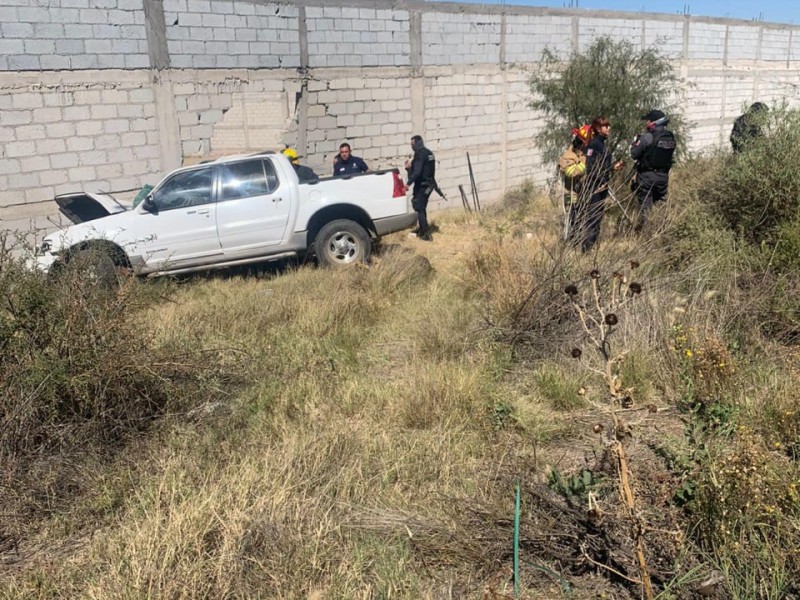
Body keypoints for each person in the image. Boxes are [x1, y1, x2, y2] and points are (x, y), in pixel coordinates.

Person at [580, 117, 623, 253]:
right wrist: (599, 182)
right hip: (595, 186)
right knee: (592, 218)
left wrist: (612, 168)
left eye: (609, 126)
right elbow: (592, 168)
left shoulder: (602, 144)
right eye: (606, 126)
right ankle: (586, 250)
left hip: (602, 185)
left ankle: (592, 248)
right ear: (598, 129)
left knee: (597, 217)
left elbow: (602, 166)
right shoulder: (594, 145)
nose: (609, 128)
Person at [630, 109, 676, 229]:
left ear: (653, 122)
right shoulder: (670, 137)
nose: (646, 123)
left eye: (648, 120)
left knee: (646, 208)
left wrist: (635, 143)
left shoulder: (647, 137)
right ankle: (662, 231)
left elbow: (634, 154)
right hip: (663, 177)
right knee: (660, 207)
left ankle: (647, 237)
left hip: (647, 177)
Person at [558, 124, 591, 243]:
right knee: (573, 217)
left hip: (583, 192)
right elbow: (571, 172)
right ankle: (572, 242)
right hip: (571, 194)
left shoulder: (582, 154)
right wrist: (585, 162)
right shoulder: (569, 155)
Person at [405, 135, 436, 241]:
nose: (412, 146)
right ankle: (422, 229)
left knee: (418, 206)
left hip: (422, 186)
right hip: (430, 185)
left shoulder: (419, 155)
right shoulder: (429, 153)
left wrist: (408, 183)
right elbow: (420, 170)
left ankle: (426, 235)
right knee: (421, 207)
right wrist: (409, 169)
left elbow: (417, 172)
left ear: (417, 143)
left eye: (412, 144)